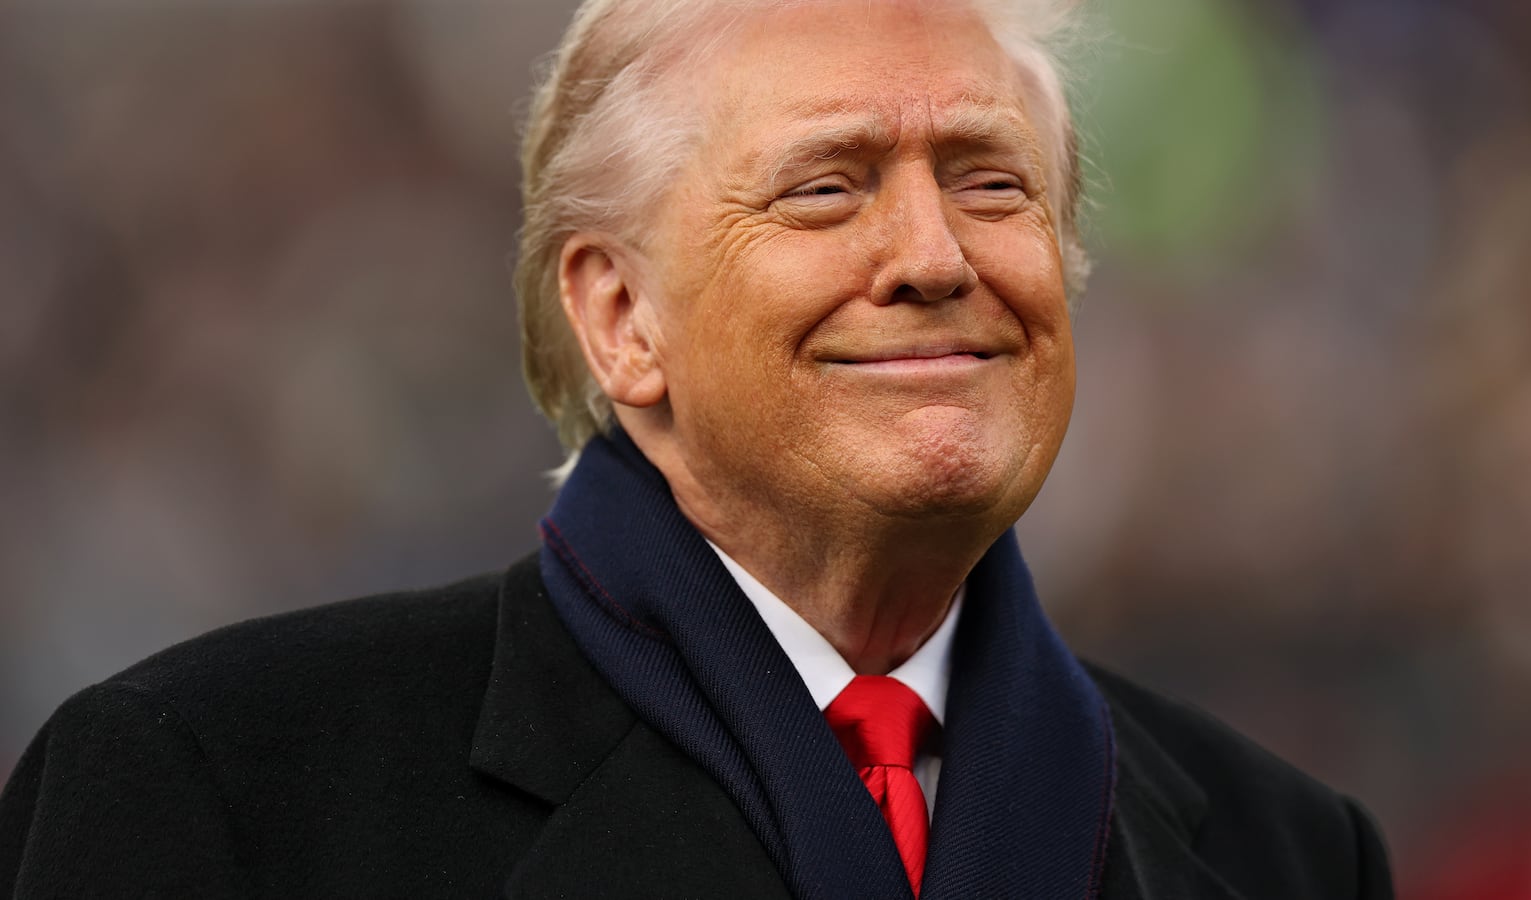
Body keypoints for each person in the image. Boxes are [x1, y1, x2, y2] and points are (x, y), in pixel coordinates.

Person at [0, 0, 1393, 896]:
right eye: (825, 188)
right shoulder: (224, 794)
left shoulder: (1291, 855)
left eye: (991, 182)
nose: (931, 254)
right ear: (620, 317)